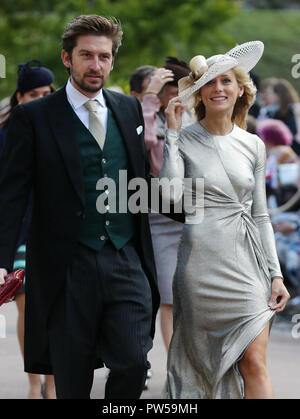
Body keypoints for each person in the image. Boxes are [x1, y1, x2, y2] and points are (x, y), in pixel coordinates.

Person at [0, 14, 161, 399]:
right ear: (67, 58)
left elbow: (137, 182)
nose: (96, 65)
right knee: (72, 376)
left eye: (104, 57)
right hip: (66, 263)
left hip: (125, 255)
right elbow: (12, 193)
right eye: (86, 55)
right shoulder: (34, 116)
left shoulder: (127, 109)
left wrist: (196, 204)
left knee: (134, 362)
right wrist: (2, 259)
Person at [159, 41, 290, 399]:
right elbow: (169, 197)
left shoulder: (254, 144)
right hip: (199, 266)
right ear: (199, 93)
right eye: (211, 83)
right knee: (202, 367)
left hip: (249, 267)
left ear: (240, 89)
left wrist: (275, 274)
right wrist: (171, 134)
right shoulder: (183, 138)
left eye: (227, 81)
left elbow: (261, 215)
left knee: (254, 363)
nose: (219, 88)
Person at [0, 60, 56, 399]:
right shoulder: (4, 137)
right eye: (33, 94)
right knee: (28, 308)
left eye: (45, 94)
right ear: (19, 96)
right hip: (21, 232)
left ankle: (54, 381)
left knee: (57, 313)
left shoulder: (59, 129)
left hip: (57, 231)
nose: (39, 99)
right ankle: (35, 384)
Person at [140, 57, 195, 351]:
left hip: (196, 213)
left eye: (180, 90)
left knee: (195, 297)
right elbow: (144, 144)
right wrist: (150, 97)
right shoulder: (151, 117)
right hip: (160, 215)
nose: (174, 96)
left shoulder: (197, 118)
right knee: (168, 297)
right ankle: (176, 367)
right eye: (169, 90)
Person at [258, 78, 300, 155]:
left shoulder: (293, 112)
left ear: (278, 95)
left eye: (270, 93)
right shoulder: (271, 112)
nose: (267, 96)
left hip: (292, 154)